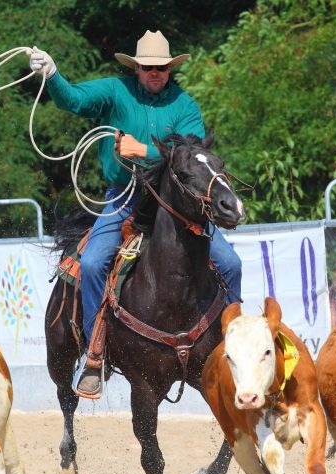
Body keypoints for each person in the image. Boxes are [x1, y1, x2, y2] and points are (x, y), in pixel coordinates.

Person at [29, 30, 242, 398]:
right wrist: (52, 75)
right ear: (137, 68)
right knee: (94, 262)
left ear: (169, 68)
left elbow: (190, 156)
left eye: (161, 67)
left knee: (230, 263)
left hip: (174, 203)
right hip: (124, 195)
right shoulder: (116, 91)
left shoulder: (185, 105)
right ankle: (95, 352)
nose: (154, 72)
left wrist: (140, 148)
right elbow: (74, 100)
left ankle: (233, 347)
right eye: (147, 67)